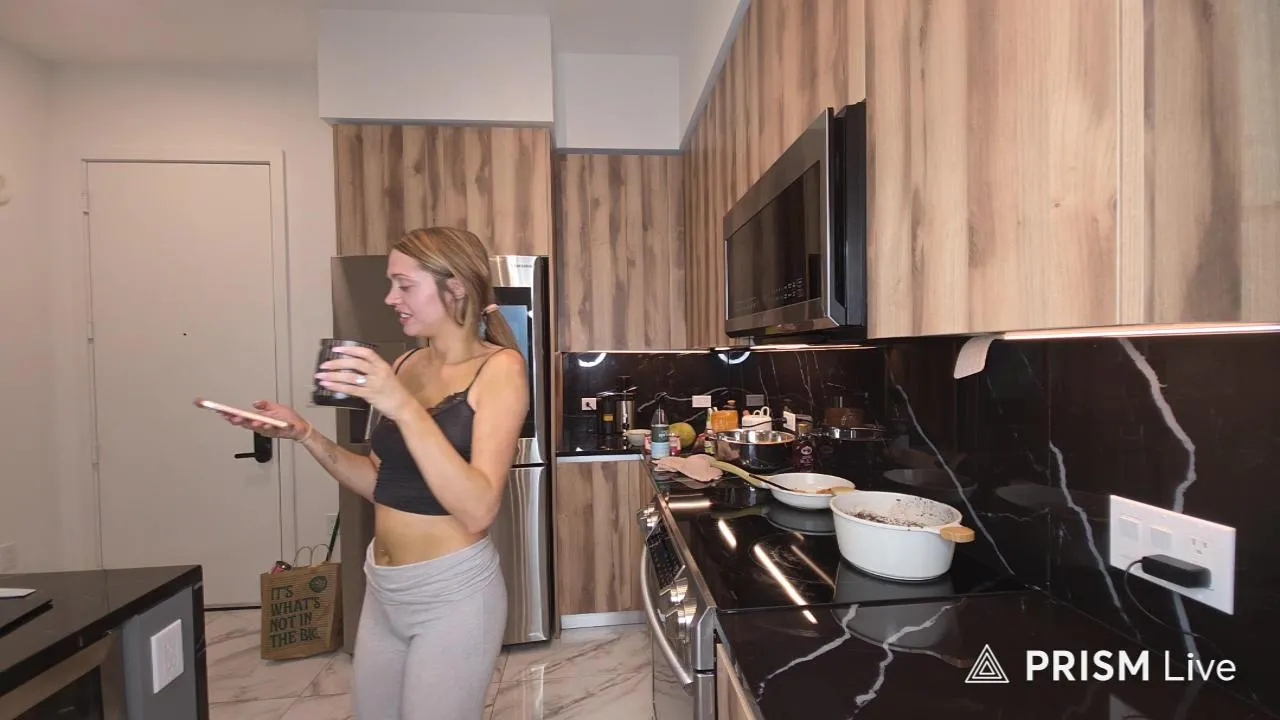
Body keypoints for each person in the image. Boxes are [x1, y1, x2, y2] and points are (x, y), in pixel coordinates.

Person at [213, 226, 529, 719]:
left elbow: (479, 510)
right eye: (390, 284)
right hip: (384, 589)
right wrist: (305, 435)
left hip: (453, 594)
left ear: (455, 287)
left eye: (404, 285)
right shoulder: (405, 363)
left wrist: (401, 405)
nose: (390, 298)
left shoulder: (501, 369)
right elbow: (379, 483)